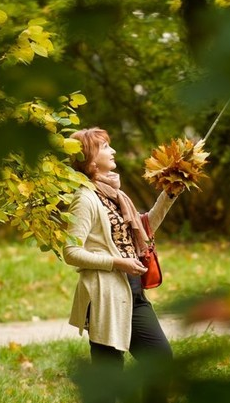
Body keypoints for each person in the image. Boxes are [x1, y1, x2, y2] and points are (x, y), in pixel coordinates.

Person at [64, 127, 180, 403]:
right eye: (105, 147)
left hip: (134, 293)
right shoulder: (85, 199)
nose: (113, 150)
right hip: (106, 296)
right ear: (90, 160)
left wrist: (169, 193)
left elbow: (144, 227)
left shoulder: (116, 195)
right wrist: (117, 262)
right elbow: (70, 251)